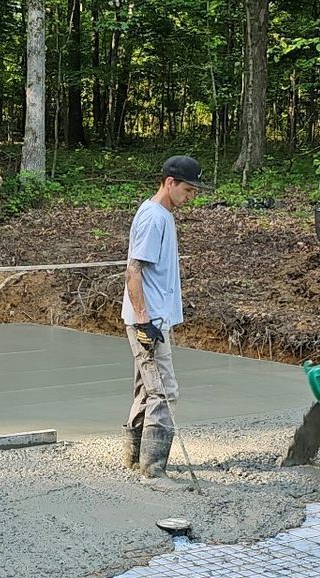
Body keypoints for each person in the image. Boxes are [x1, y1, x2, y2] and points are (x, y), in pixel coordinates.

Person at [121, 155, 209, 477]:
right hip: (149, 320)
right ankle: (153, 471)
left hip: (155, 317)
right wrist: (143, 320)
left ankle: (133, 460)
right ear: (169, 183)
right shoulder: (153, 218)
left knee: (147, 389)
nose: (191, 197)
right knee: (164, 391)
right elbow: (134, 270)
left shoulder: (164, 215)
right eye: (188, 189)